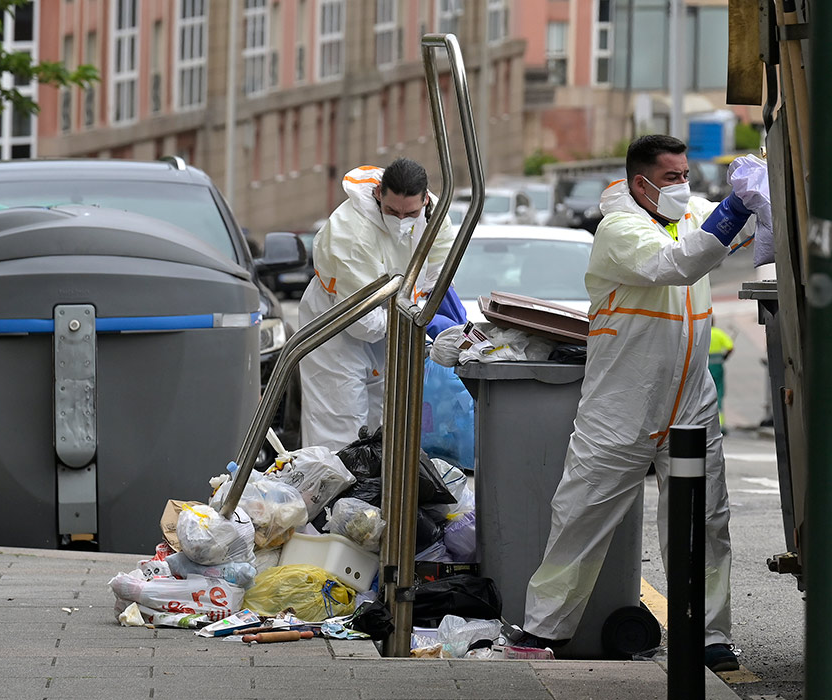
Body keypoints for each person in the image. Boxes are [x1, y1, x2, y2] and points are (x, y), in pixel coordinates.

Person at [520, 135, 762, 673]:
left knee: (704, 522)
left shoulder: (689, 212)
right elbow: (675, 264)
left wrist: (761, 192)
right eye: (673, 177)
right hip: (623, 404)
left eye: (686, 175)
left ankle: (707, 634)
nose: (684, 186)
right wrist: (735, 208)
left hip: (691, 402)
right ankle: (543, 630)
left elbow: (735, 234)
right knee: (581, 516)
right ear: (640, 184)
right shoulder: (619, 231)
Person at [297, 158, 461, 451]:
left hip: (391, 320)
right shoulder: (352, 234)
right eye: (392, 211)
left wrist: (423, 308)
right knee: (340, 425)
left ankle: (374, 495)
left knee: (387, 422)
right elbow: (363, 324)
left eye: (410, 212)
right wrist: (415, 316)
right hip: (336, 322)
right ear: (377, 195)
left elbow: (434, 279)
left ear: (425, 200)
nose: (401, 220)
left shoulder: (437, 221)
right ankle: (335, 495)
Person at [708, 318, 735, 431]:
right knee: (718, 394)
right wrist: (724, 357)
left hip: (705, 369)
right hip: (718, 368)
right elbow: (730, 347)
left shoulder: (701, 334)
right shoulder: (719, 334)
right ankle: (719, 425)